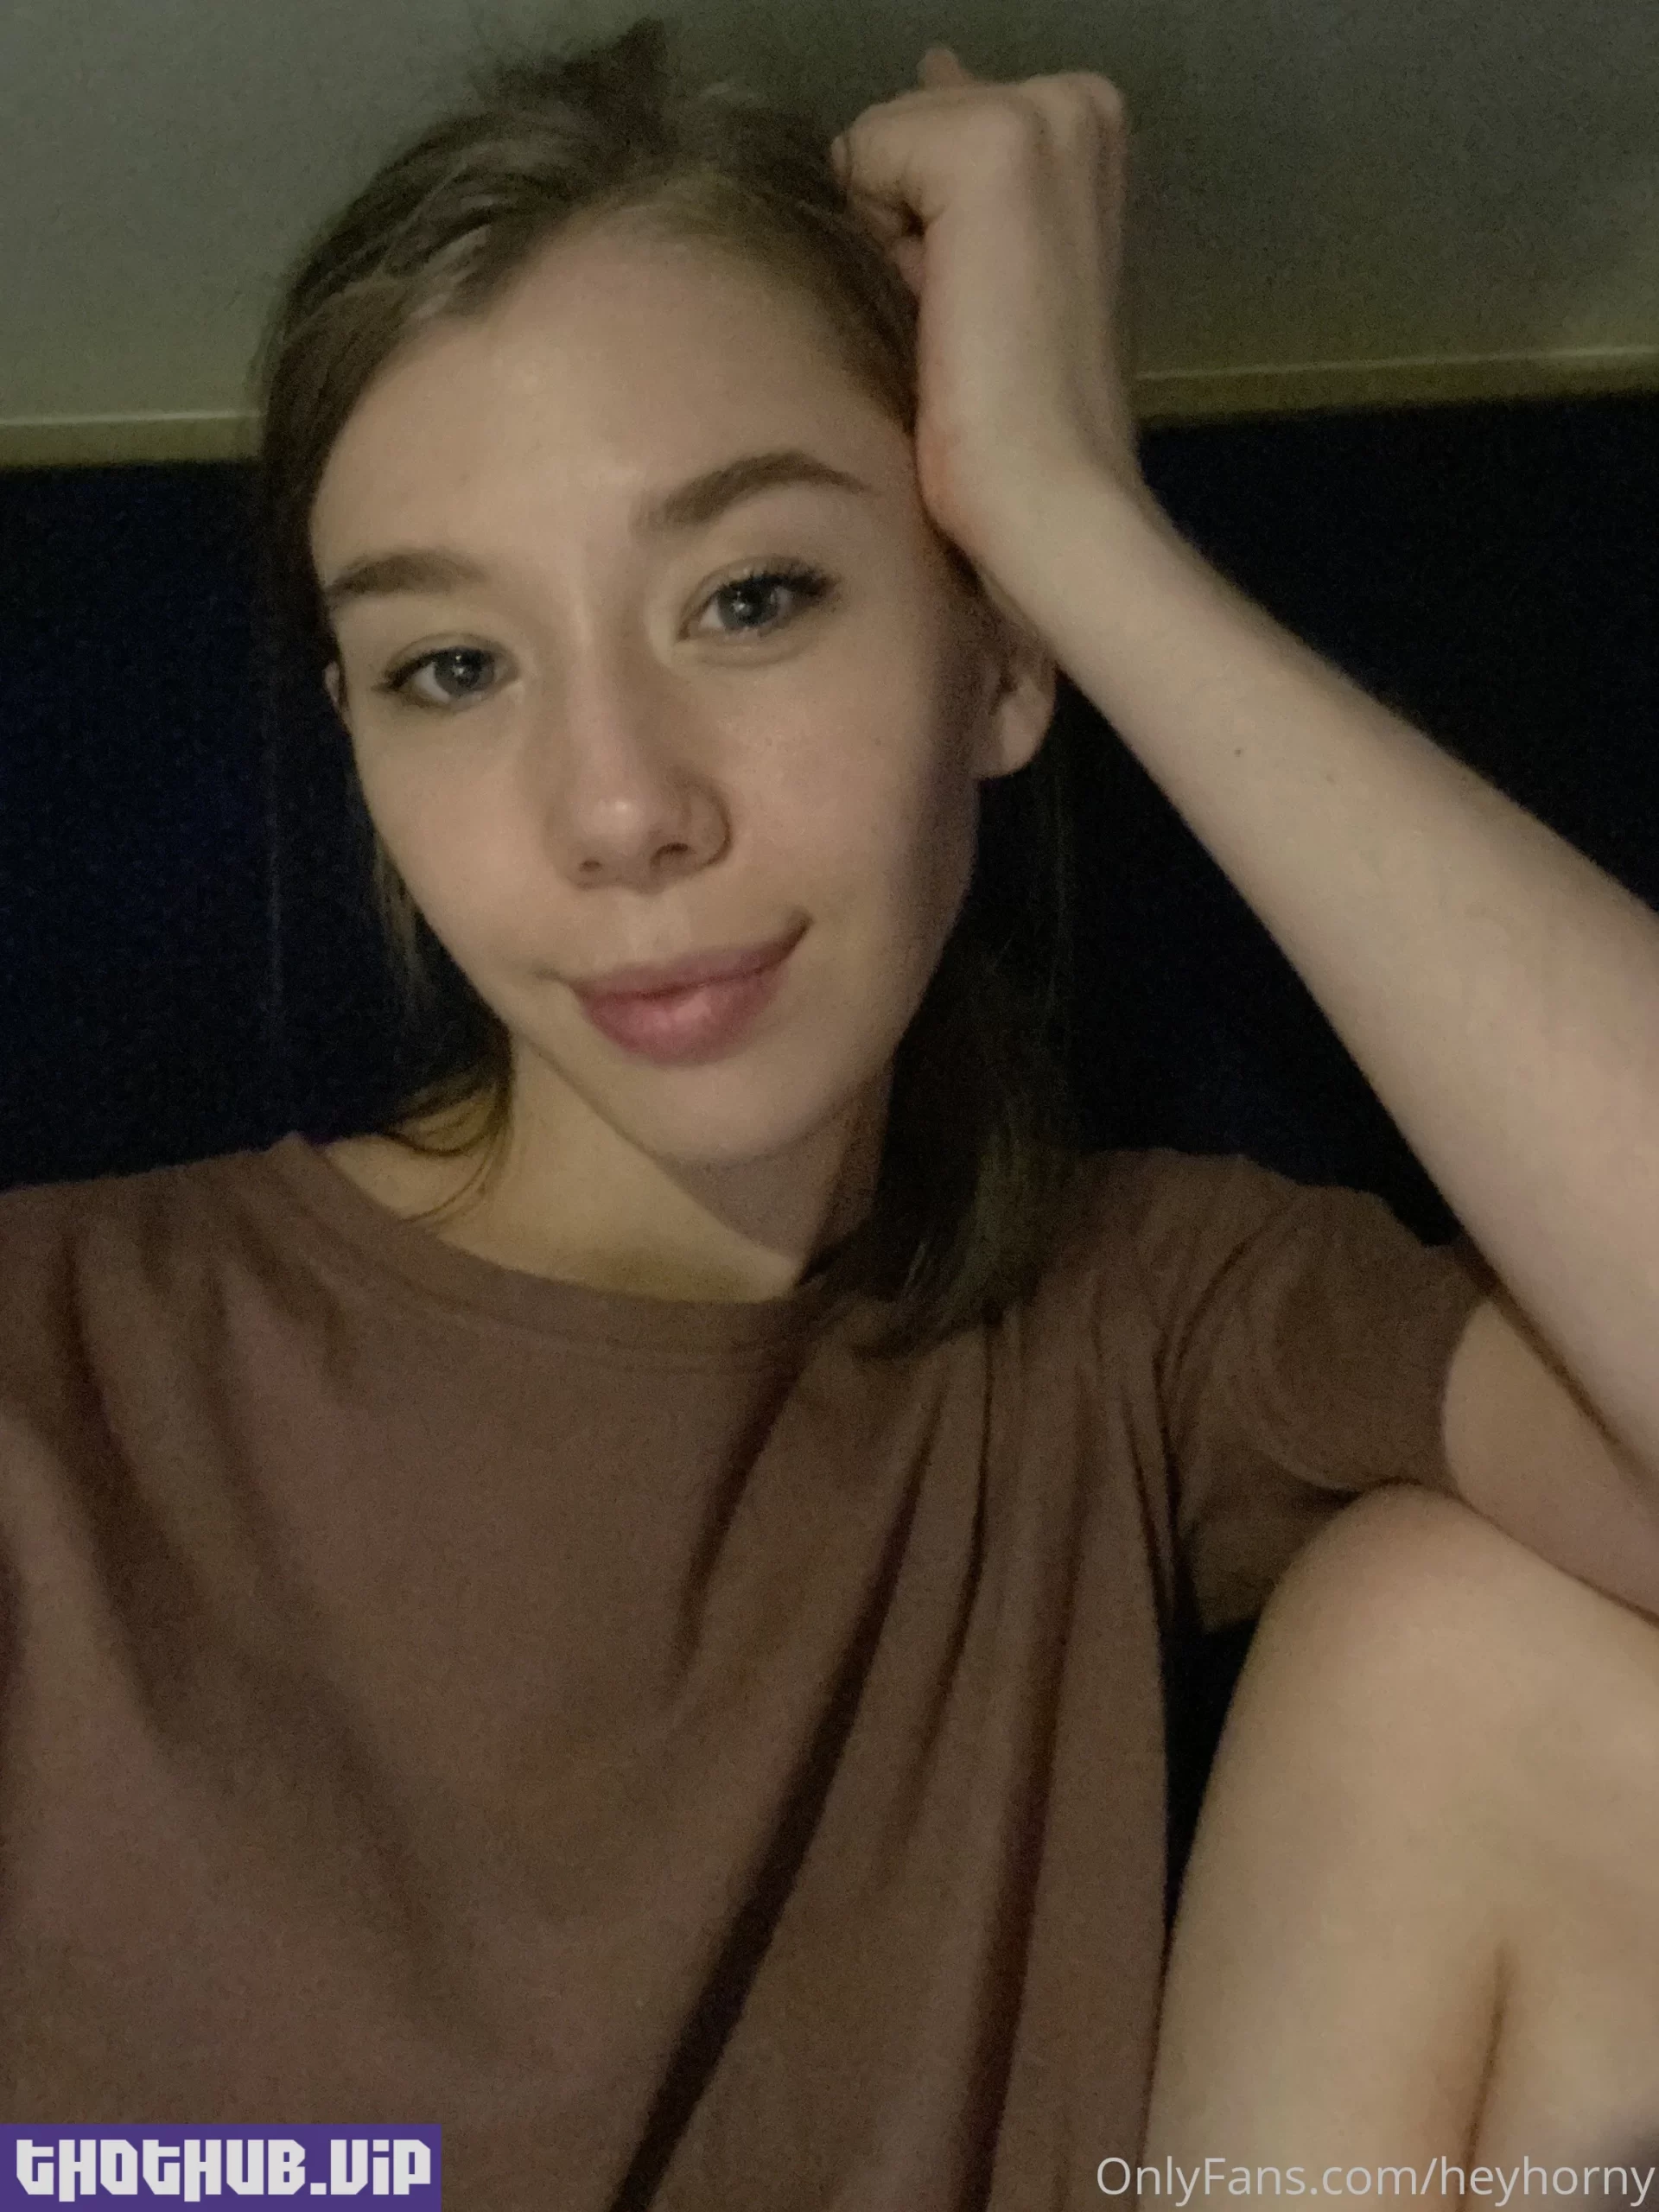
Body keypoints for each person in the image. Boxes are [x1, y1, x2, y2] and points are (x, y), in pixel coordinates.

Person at [1, 16, 1656, 2204]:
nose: (619, 808)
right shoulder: (57, 1368)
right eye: (452, 666)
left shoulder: (1142, 1324)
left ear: (997, 652)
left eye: (751, 596)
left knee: (1511, 1665)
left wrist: (1081, 529)